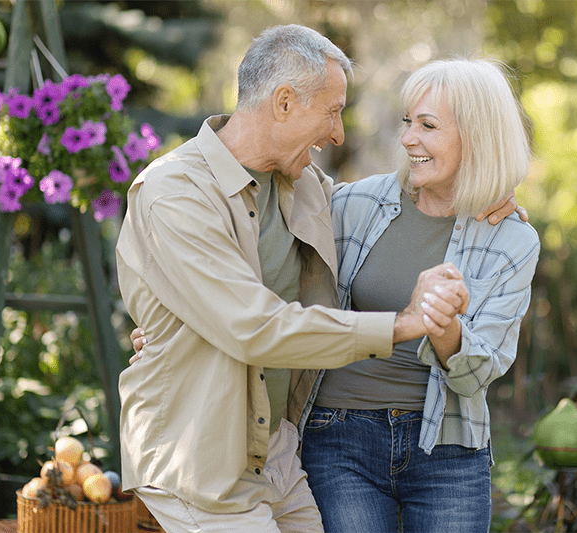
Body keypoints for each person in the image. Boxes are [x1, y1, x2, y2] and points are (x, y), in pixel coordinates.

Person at [116, 24, 515, 533]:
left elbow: (388, 211)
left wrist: (484, 194)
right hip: (200, 457)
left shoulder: (304, 186)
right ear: (284, 103)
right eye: (332, 112)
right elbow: (253, 327)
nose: (338, 134)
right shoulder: (174, 193)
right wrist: (401, 324)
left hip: (273, 449)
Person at [295, 58, 540, 533]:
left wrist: (445, 328)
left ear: (478, 136)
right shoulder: (352, 204)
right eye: (409, 122)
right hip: (340, 435)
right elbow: (268, 243)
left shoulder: (511, 240)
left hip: (449, 447)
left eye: (428, 126)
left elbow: (478, 374)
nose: (408, 138)